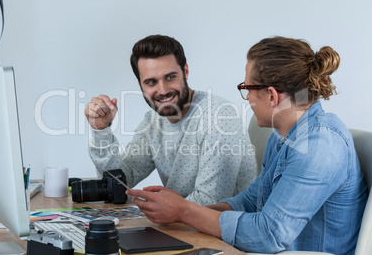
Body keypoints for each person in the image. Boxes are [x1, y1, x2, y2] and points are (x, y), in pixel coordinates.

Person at [126, 36, 368, 254]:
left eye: (247, 88)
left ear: (272, 96)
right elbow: (252, 200)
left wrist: (184, 212)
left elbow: (268, 234)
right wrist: (181, 209)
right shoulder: (283, 135)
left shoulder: (319, 146)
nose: (248, 97)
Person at [85, 34, 257, 206]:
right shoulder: (152, 123)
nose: (163, 90)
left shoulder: (220, 118)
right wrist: (101, 130)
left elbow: (211, 203)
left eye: (170, 77)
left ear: (186, 71)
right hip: (182, 227)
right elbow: (119, 182)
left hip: (218, 230)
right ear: (140, 86)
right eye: (151, 82)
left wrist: (157, 207)